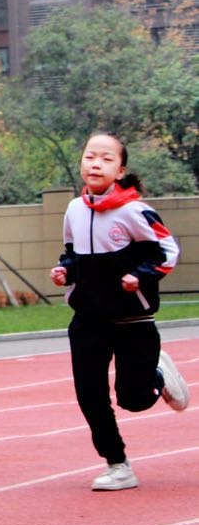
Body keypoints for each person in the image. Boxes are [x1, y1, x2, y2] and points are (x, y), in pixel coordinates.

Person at [50, 132, 188, 492]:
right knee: (89, 394)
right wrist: (65, 270)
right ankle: (117, 464)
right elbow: (72, 252)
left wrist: (139, 277)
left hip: (132, 320)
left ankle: (157, 374)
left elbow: (167, 251)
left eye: (106, 159)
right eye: (90, 156)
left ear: (121, 169)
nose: (95, 163)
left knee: (134, 399)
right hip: (88, 320)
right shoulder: (74, 210)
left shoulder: (135, 211)